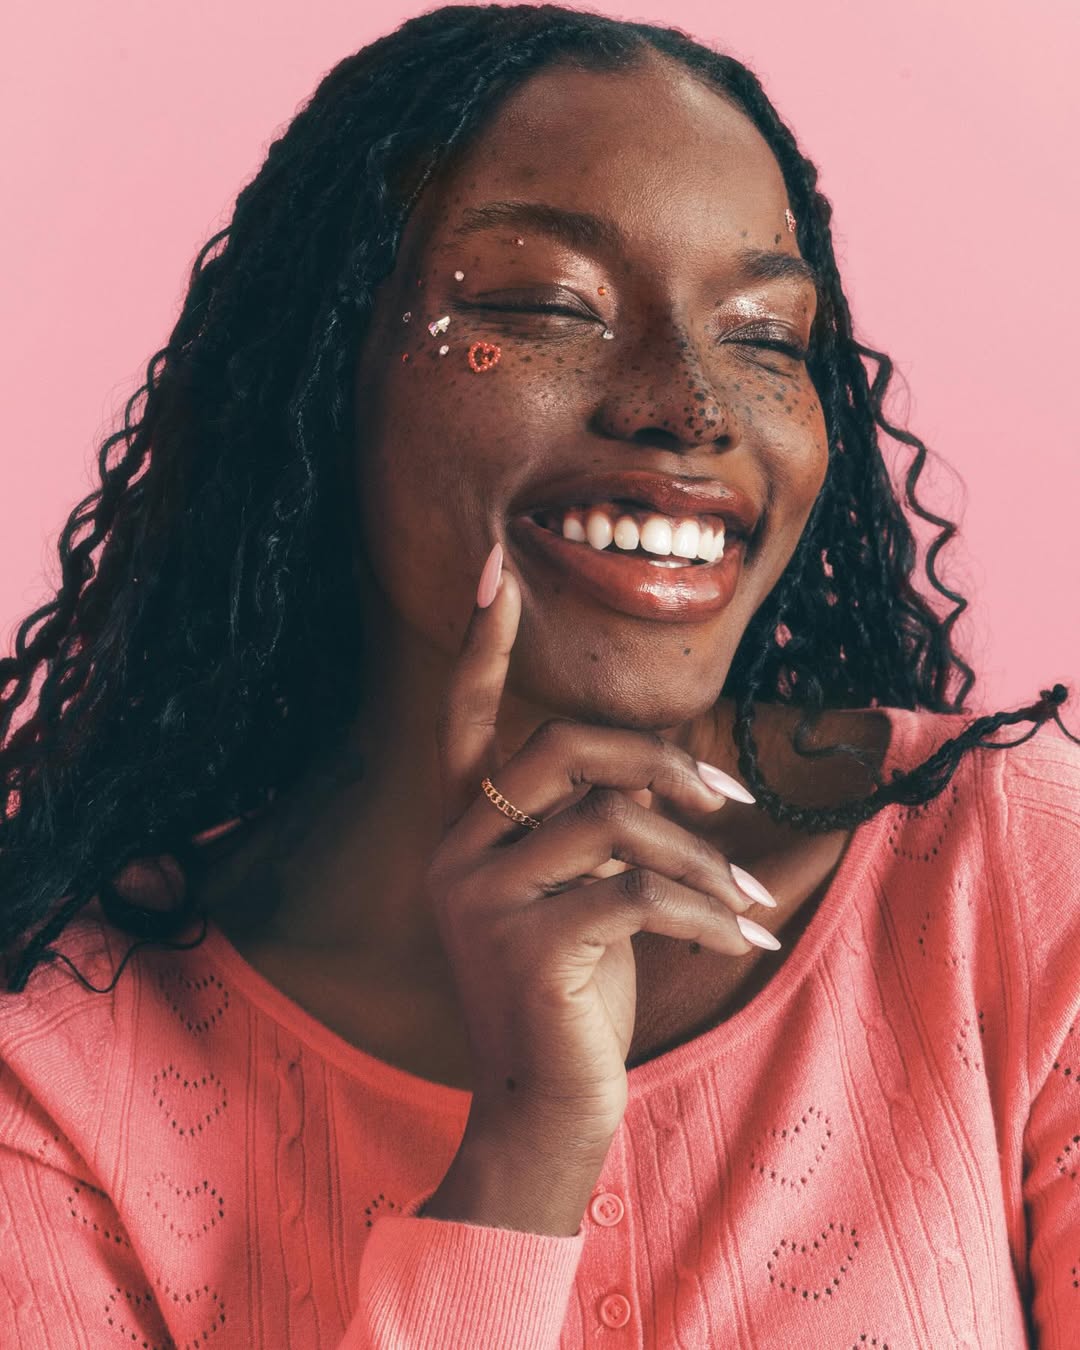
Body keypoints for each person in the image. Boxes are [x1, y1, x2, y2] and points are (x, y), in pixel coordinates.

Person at [1, 4, 1076, 1346]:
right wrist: (528, 1149)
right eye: (546, 306)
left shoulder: (1005, 871)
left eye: (764, 335)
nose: (690, 410)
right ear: (323, 377)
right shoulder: (53, 1071)